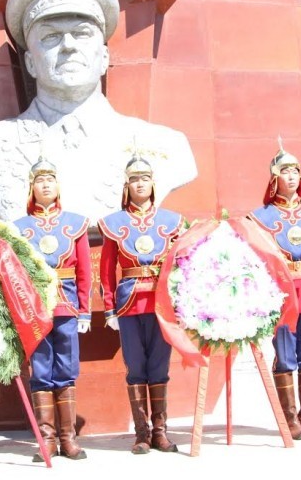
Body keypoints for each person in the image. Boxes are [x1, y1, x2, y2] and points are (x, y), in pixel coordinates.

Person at [0, 0, 197, 225]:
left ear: (104, 58)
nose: (68, 46)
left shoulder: (165, 145)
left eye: (82, 34)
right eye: (51, 37)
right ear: (30, 62)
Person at [249, 143, 301, 440]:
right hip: (282, 297)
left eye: (296, 171)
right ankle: (289, 419)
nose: (292, 176)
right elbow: (255, 261)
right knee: (286, 358)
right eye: (285, 171)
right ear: (274, 179)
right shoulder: (261, 218)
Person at [99, 153, 183, 455]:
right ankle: (142, 434)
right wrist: (109, 308)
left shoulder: (171, 221)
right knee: (136, 367)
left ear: (153, 183)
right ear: (126, 185)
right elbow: (107, 270)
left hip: (161, 304)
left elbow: (181, 264)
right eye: (134, 178)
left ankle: (161, 432)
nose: (140, 183)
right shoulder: (114, 223)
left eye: (145, 178)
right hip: (129, 304)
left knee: (159, 367)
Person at [13, 158, 92, 461]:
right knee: (41, 370)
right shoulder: (18, 228)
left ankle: (67, 438)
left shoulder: (75, 223)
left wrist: (84, 311)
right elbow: (15, 273)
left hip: (66, 306)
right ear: (31, 188)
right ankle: (46, 439)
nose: (45, 184)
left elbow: (85, 270)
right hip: (35, 310)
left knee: (67, 371)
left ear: (58, 186)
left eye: (50, 179)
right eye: (39, 180)